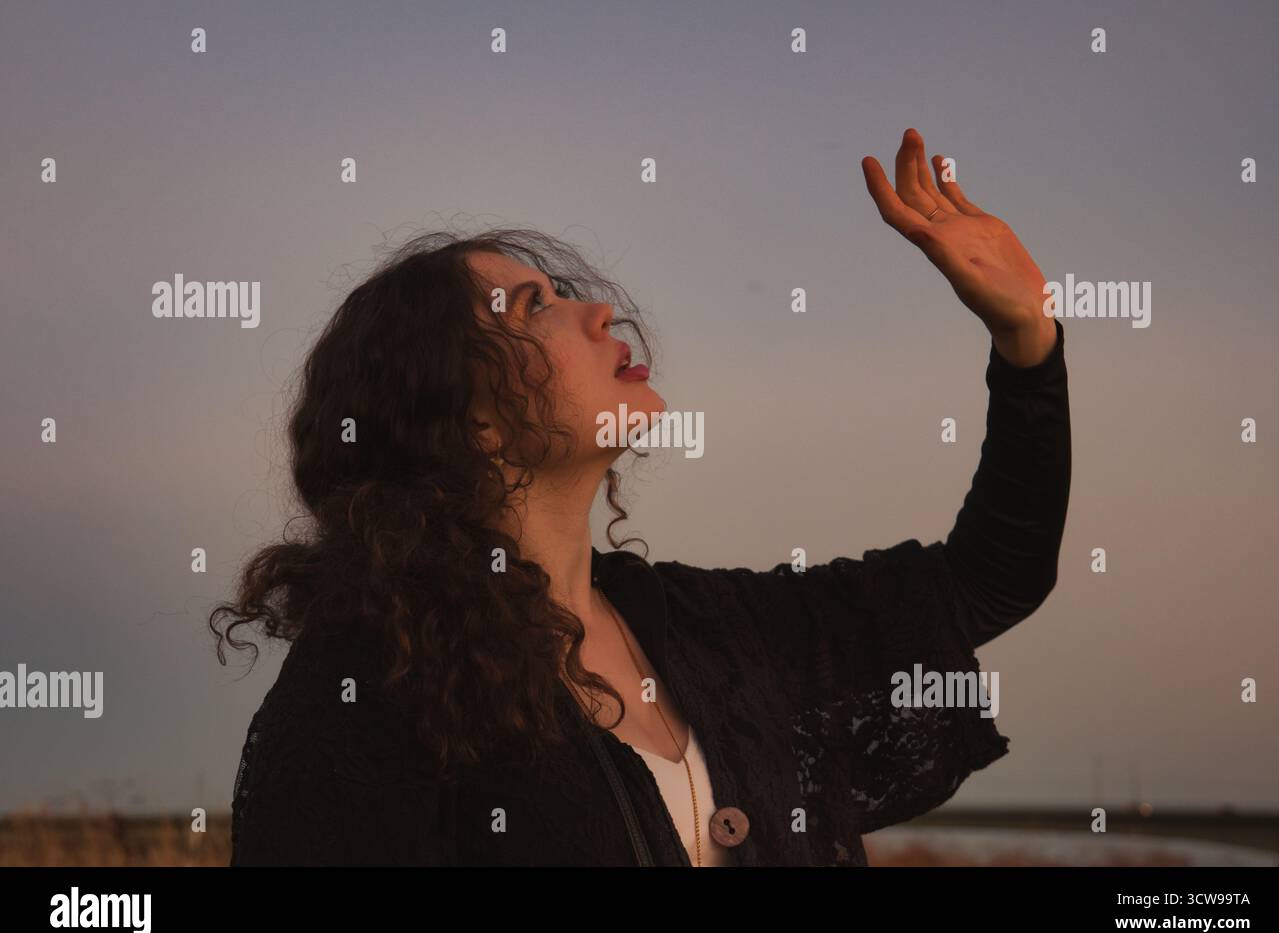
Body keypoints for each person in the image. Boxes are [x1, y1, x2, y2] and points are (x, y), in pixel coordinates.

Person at [214, 128, 1071, 866]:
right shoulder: (365, 689)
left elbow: (987, 579)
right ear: (462, 417)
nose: (598, 313)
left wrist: (1027, 340)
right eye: (530, 305)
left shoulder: (714, 630)